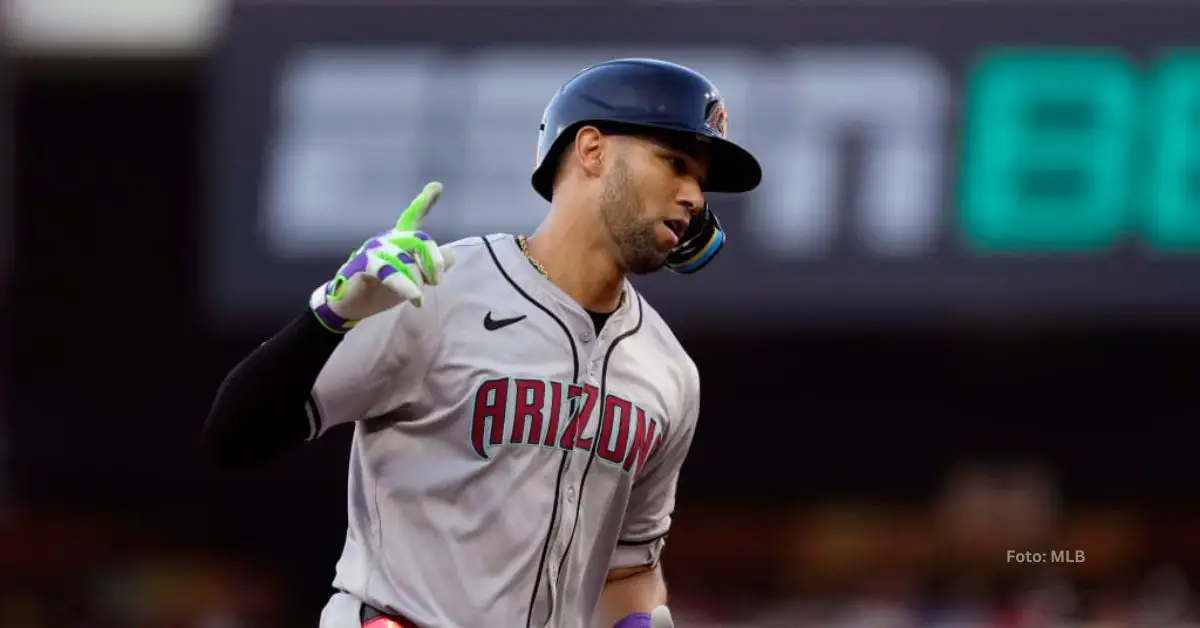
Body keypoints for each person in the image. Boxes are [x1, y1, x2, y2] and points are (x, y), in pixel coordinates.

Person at [203, 57, 762, 628]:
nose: (694, 196)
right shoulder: (436, 290)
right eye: (675, 163)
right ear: (591, 150)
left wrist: (637, 622)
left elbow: (627, 565)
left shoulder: (668, 370)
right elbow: (234, 439)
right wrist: (328, 317)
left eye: (701, 180)